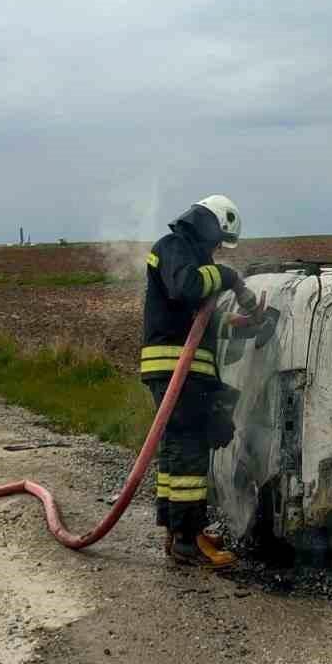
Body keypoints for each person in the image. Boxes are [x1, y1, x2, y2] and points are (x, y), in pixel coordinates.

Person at [142, 195, 258, 568]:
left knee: (177, 450)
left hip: (182, 371)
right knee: (191, 451)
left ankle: (177, 533)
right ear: (208, 226)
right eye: (217, 241)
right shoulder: (174, 248)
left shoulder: (189, 254)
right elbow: (186, 289)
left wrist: (235, 324)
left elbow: (193, 319)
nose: (217, 249)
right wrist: (229, 277)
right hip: (178, 372)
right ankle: (188, 541)